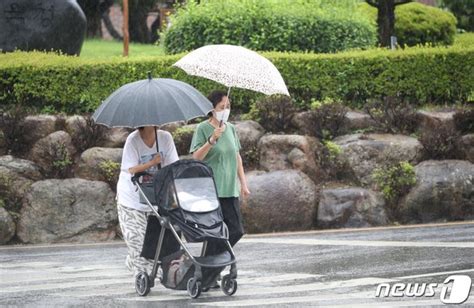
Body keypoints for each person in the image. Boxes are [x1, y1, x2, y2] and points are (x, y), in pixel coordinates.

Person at [190, 90, 250, 257]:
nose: (226, 110)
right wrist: (211, 140)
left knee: (236, 231)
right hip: (212, 190)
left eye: (228, 106)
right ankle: (209, 271)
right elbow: (196, 157)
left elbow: (236, 156)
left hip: (230, 189)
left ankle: (209, 266)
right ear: (213, 109)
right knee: (215, 233)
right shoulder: (202, 128)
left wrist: (243, 184)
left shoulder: (230, 128)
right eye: (222, 106)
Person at [116, 126, 179, 277]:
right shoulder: (133, 140)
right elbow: (131, 169)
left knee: (153, 241)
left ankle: (138, 264)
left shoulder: (165, 138)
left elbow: (174, 166)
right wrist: (152, 163)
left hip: (155, 197)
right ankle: (142, 275)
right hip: (132, 197)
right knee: (136, 239)